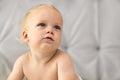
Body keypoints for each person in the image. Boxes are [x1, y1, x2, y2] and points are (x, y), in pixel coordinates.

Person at [7, 4, 80, 80]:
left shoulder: (62, 59)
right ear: (26, 36)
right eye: (42, 25)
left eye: (56, 27)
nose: (50, 30)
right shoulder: (22, 61)